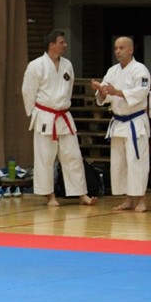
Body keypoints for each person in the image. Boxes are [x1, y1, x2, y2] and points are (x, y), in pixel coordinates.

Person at [22, 30, 97, 207]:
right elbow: (27, 91)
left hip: (63, 115)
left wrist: (62, 105)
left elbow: (68, 89)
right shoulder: (36, 65)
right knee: (45, 158)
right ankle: (50, 196)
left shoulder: (67, 65)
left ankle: (81, 194)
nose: (65, 45)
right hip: (45, 116)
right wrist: (34, 113)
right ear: (52, 45)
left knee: (73, 156)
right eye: (62, 42)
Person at [91, 36, 151, 212]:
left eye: (122, 48)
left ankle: (141, 199)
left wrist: (117, 91)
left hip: (135, 122)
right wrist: (101, 91)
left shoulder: (140, 70)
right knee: (120, 163)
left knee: (136, 161)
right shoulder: (112, 71)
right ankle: (128, 199)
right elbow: (104, 95)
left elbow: (141, 92)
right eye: (116, 48)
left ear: (131, 50)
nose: (118, 51)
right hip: (119, 122)